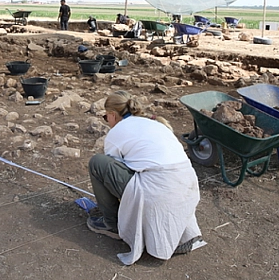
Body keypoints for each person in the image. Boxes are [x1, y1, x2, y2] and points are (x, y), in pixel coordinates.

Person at [87, 91, 205, 265]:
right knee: (159, 179)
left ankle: (111, 224)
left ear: (112, 114)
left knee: (98, 163)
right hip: (188, 186)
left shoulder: (116, 132)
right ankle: (180, 235)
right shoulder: (155, 123)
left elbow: (115, 171)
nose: (107, 121)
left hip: (159, 189)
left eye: (106, 117)